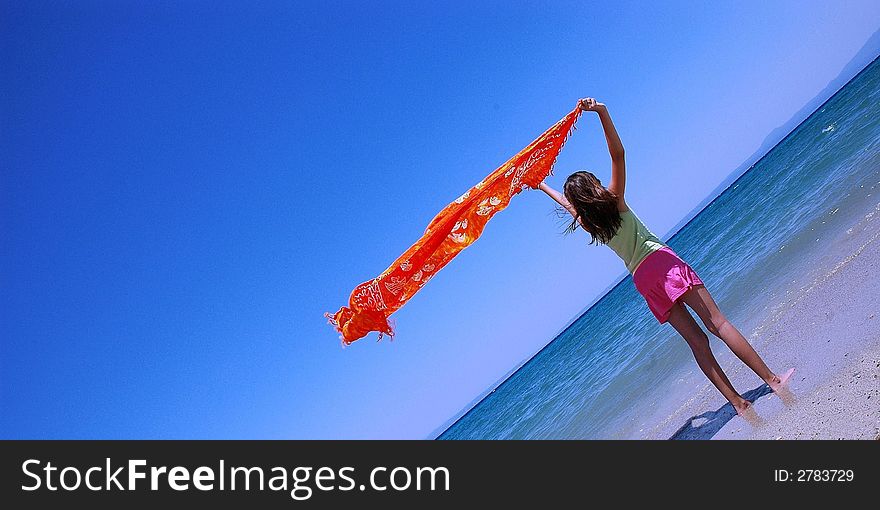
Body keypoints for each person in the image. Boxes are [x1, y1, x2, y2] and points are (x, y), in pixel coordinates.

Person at [537, 97, 794, 418]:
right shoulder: (615, 200)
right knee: (718, 323)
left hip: (644, 282)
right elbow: (618, 153)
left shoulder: (591, 223)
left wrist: (542, 185)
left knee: (698, 343)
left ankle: (739, 404)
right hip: (661, 263)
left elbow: (569, 207)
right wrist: (601, 112)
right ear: (595, 187)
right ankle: (772, 379)